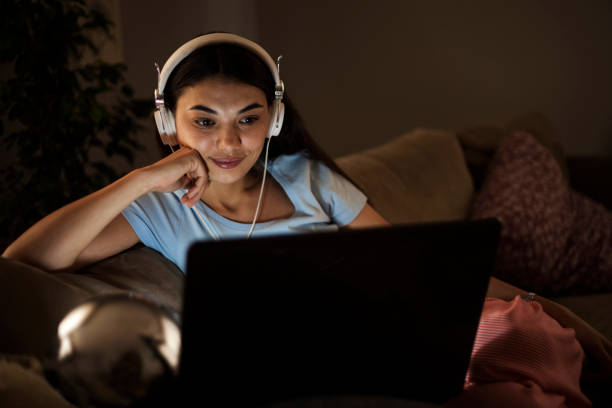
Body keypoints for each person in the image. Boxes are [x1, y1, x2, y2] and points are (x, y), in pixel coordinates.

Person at [2, 33, 610, 406]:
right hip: (310, 365)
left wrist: (550, 305)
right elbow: (25, 259)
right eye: (204, 119)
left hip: (397, 339)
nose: (230, 141)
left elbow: (421, 268)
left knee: (520, 336)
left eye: (249, 116)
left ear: (273, 118)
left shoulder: (308, 178)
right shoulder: (158, 210)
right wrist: (139, 178)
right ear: (169, 125)